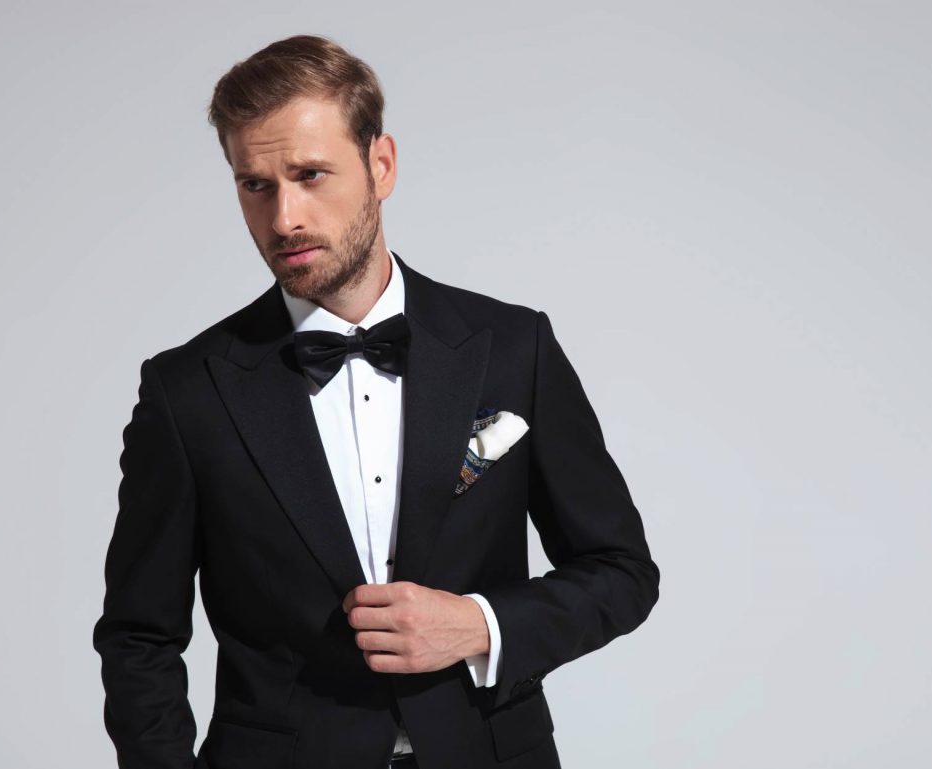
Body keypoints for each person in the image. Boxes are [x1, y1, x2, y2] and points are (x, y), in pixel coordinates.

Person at [92, 34, 659, 769]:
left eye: (310, 174)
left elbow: (622, 570)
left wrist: (481, 624)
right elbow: (140, 636)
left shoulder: (514, 348)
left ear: (380, 164)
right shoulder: (187, 391)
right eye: (255, 185)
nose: (285, 217)